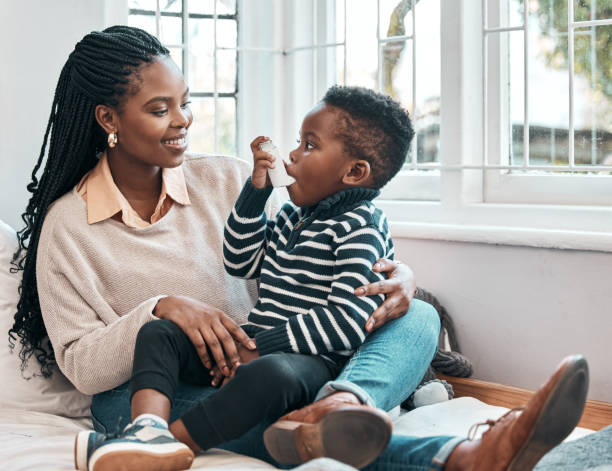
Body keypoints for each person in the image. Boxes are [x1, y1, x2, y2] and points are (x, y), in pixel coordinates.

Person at [9, 26, 588, 471]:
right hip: (153, 396)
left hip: (277, 361)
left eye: (183, 102)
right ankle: (455, 455)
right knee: (255, 414)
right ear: (109, 118)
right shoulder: (70, 226)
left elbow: (314, 247)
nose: (183, 120)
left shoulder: (225, 177)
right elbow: (81, 366)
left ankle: (342, 403)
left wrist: (399, 275)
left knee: (421, 316)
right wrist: (161, 308)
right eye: (160, 110)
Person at [75, 85, 415, 471]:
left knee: (268, 374)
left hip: (311, 360)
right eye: (298, 142)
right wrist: (255, 193)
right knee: (158, 333)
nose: (292, 154)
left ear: (354, 172)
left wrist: (259, 346)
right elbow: (240, 260)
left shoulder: (361, 227)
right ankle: (147, 430)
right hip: (254, 345)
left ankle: (174, 445)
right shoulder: (293, 216)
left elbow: (346, 323)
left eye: (309, 145)